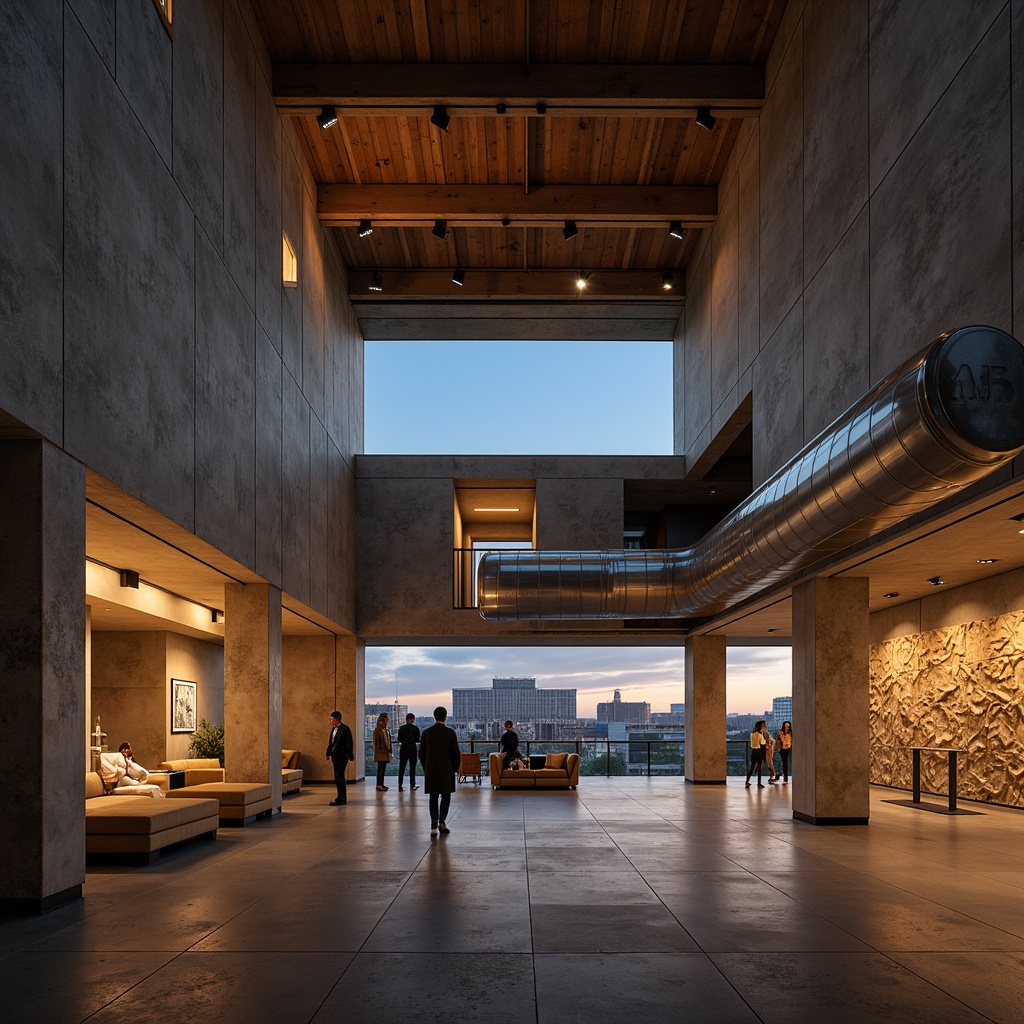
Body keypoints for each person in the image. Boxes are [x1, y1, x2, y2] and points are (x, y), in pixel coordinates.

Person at [419, 705, 461, 836]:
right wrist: (455, 768)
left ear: (434, 716)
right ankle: (442, 822)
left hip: (431, 769)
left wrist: (426, 767)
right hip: (446, 769)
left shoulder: (426, 733)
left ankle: (433, 825)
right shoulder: (450, 733)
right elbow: (455, 754)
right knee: (446, 796)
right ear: (445, 717)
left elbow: (421, 754)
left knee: (433, 796)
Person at [326, 710, 354, 805]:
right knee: (338, 777)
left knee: (340, 777)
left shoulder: (345, 729)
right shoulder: (334, 729)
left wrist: (348, 755)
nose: (330, 721)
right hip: (335, 757)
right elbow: (331, 743)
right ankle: (340, 796)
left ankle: (342, 797)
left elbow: (349, 744)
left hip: (342, 757)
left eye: (332, 719)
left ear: (337, 719)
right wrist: (328, 753)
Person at [397, 712, 421, 791]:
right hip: (412, 748)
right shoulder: (416, 729)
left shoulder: (401, 728)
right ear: (412, 719)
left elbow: (399, 739)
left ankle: (400, 785)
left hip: (404, 747)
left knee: (402, 767)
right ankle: (412, 785)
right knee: (412, 767)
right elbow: (417, 739)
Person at [745, 720, 767, 788]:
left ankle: (747, 781)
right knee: (759, 768)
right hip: (759, 752)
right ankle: (759, 783)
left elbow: (752, 744)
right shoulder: (760, 735)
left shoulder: (752, 734)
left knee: (752, 768)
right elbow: (763, 743)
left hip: (753, 752)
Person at [373, 712, 392, 792]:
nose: (387, 721)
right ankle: (379, 784)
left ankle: (381, 784)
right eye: (386, 719)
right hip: (380, 753)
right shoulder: (378, 730)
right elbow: (377, 742)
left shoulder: (386, 730)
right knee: (380, 769)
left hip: (385, 753)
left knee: (382, 769)